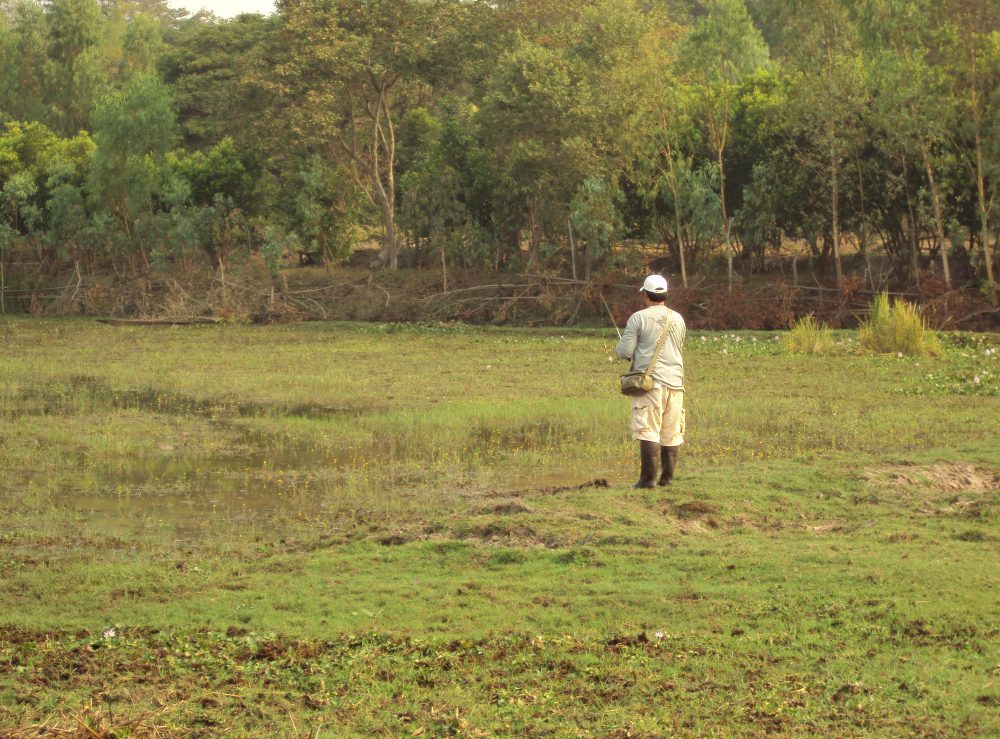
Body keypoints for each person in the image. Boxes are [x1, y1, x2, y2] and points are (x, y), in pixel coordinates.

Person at [615, 274, 687, 488]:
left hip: (650, 383)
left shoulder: (638, 318)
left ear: (645, 294)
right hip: (676, 383)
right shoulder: (678, 318)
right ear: (664, 294)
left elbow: (625, 351)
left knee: (648, 429)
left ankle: (647, 482)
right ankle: (667, 480)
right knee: (670, 432)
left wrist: (623, 351)